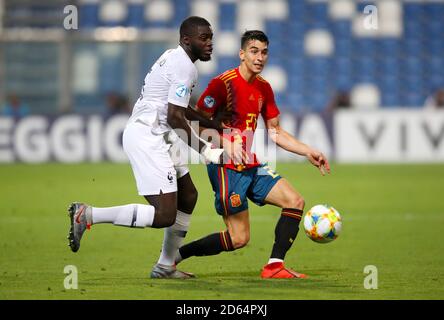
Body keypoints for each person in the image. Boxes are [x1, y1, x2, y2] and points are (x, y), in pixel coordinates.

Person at [67, 16, 241, 279]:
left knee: (188, 196)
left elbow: (177, 109)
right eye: (203, 38)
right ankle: (88, 214)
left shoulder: (175, 57)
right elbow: (174, 117)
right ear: (186, 40)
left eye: (211, 38)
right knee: (164, 215)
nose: (210, 44)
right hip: (148, 135)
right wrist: (207, 150)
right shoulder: (185, 67)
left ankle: (165, 266)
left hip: (159, 133)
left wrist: (211, 122)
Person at [175, 30, 331, 279]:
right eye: (254, 51)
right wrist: (226, 143)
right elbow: (198, 124)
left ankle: (274, 266)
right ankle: (176, 255)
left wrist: (308, 151)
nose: (260, 57)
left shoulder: (264, 88)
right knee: (239, 239)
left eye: (264, 52)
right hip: (225, 167)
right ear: (242, 54)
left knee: (295, 201)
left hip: (249, 162)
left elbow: (276, 131)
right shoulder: (222, 83)